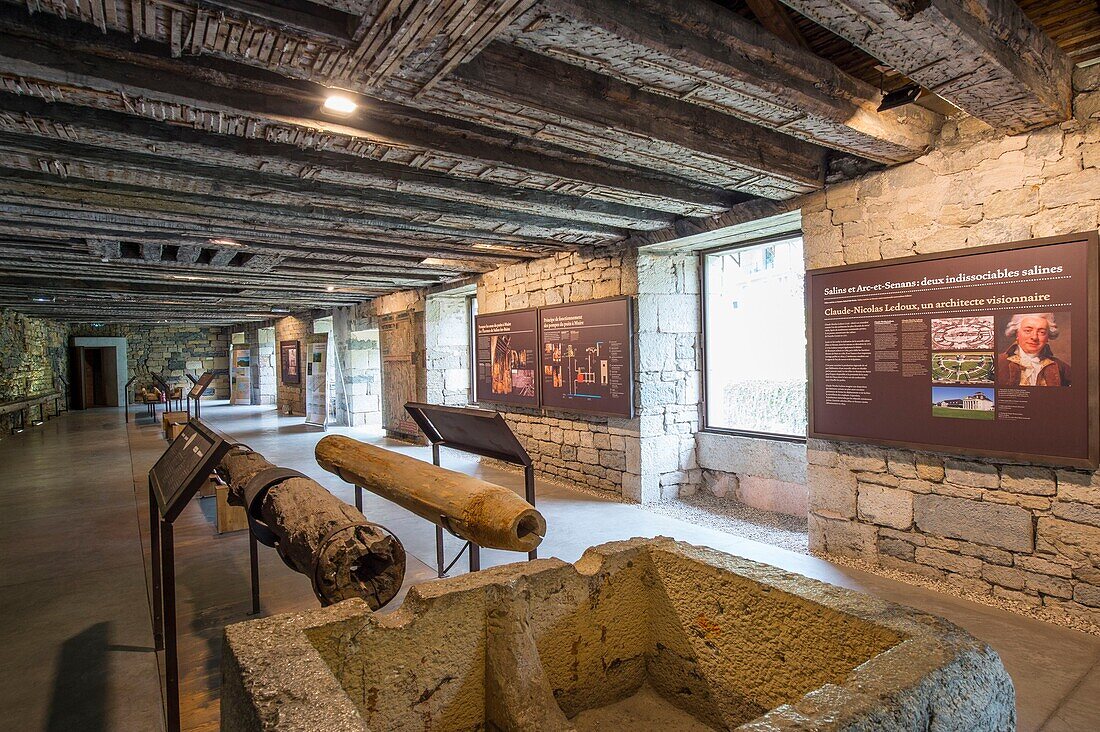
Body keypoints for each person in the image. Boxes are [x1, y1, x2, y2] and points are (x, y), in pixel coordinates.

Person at [996, 313, 1070, 386]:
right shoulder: (998, 362)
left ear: (1048, 337)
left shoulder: (1061, 368)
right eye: (1028, 330)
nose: (1034, 337)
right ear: (1017, 334)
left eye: (1042, 332)